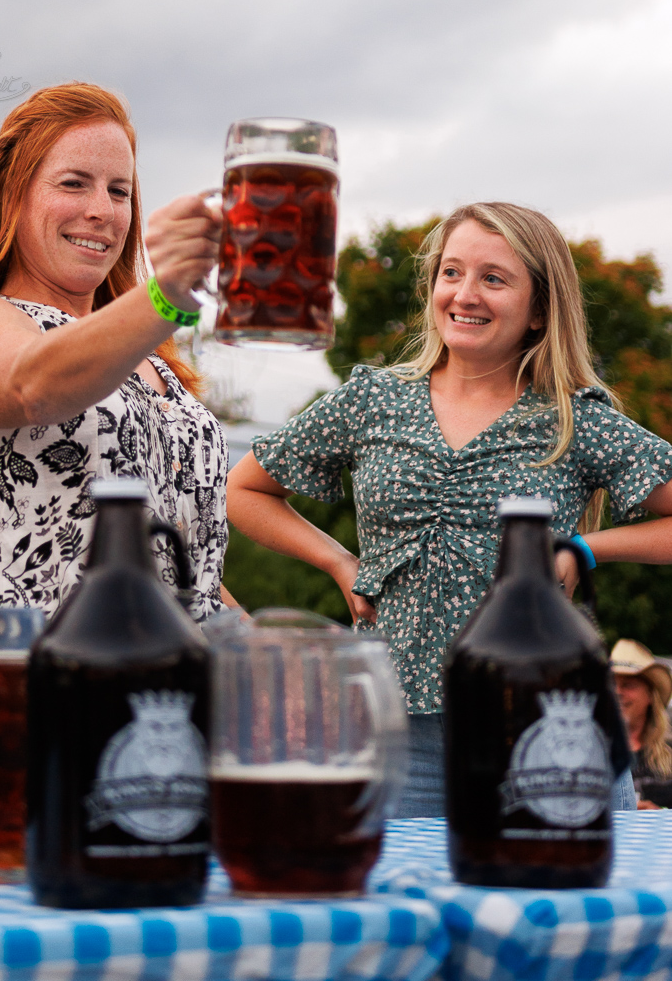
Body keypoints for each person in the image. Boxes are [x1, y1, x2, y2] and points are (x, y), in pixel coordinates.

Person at [227, 201, 672, 816]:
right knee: (403, 910)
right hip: (398, 735)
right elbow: (242, 491)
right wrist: (337, 561)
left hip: (546, 728)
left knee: (562, 905)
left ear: (540, 308)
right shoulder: (372, 400)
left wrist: (585, 549)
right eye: (451, 272)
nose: (465, 294)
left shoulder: (576, 419)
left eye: (494, 278)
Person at [0, 82, 232, 621]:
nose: (101, 211)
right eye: (74, 184)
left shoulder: (150, 361)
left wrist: (264, 647)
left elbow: (190, 577)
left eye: (119, 192)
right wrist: (167, 293)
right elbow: (33, 384)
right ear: (14, 195)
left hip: (180, 689)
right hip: (56, 678)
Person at [610, 638, 672, 809]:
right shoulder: (592, 754)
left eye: (628, 685)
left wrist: (660, 816)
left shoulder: (670, 751)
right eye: (611, 684)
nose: (617, 692)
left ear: (651, 695)